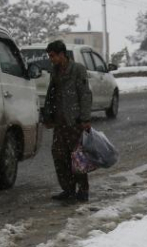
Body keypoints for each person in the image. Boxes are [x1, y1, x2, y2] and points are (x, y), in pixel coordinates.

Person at [42, 40, 93, 202]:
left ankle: (83, 190)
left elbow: (85, 94)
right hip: (60, 123)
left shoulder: (77, 70)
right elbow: (51, 94)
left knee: (77, 157)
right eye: (50, 56)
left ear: (62, 54)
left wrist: (85, 118)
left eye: (53, 56)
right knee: (59, 156)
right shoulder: (55, 71)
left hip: (74, 122)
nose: (51, 59)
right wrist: (48, 116)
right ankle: (68, 189)